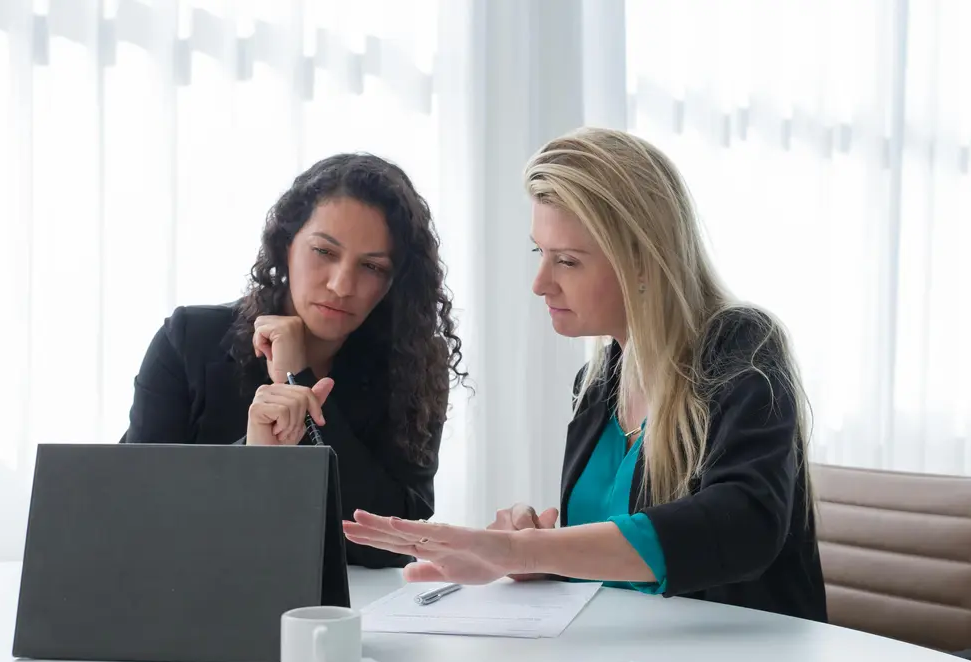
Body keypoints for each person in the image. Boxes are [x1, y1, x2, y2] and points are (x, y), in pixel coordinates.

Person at [344, 128, 827, 620]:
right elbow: (615, 574)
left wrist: (525, 552)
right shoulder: (598, 383)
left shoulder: (743, 347)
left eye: (568, 261)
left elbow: (743, 524)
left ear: (641, 262)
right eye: (540, 253)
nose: (540, 284)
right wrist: (539, 552)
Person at [122, 153, 467, 568]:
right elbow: (135, 507)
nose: (341, 285)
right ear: (287, 245)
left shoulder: (413, 362)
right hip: (192, 596)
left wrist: (298, 380)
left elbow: (395, 541)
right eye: (324, 251)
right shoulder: (189, 340)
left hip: (348, 608)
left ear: (394, 282)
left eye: (372, 266)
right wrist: (254, 449)